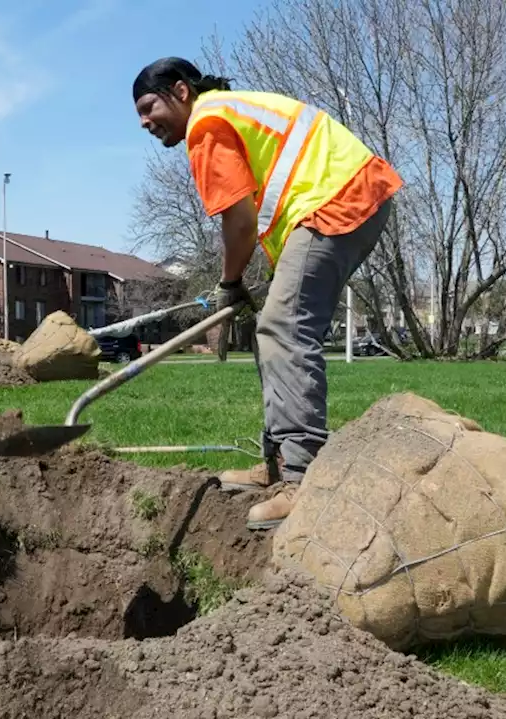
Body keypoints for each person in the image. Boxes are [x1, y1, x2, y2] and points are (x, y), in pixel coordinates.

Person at [132, 57, 403, 530]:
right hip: (346, 196)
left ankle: (303, 479)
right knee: (270, 331)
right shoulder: (226, 111)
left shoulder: (208, 124)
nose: (143, 121)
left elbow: (238, 222)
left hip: (338, 201)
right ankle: (278, 465)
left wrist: (229, 284)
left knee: (282, 328)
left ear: (180, 92)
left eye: (148, 105)